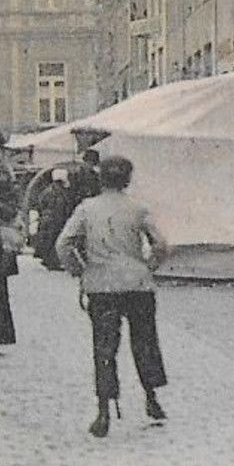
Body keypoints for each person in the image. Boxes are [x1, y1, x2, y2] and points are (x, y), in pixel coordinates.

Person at [56, 155, 170, 437]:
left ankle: (104, 410)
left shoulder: (86, 208)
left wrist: (80, 271)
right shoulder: (138, 208)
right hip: (137, 285)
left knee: (104, 348)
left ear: (100, 178)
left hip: (102, 286)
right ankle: (151, 397)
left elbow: (63, 243)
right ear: (128, 179)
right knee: (145, 342)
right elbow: (161, 244)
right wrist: (148, 266)